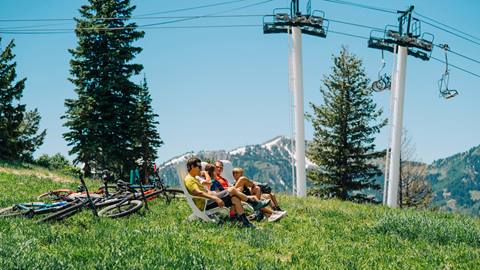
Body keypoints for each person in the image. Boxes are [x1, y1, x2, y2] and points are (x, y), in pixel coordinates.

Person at [184, 157, 270, 228]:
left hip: (208, 200)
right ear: (192, 166)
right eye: (198, 166)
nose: (200, 168)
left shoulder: (194, 178)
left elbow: (204, 191)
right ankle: (254, 203)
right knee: (232, 190)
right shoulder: (189, 179)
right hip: (205, 204)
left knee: (235, 198)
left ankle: (245, 223)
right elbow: (198, 193)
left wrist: (212, 193)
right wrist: (216, 198)